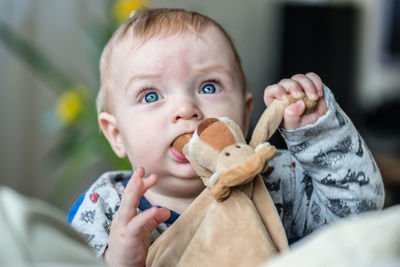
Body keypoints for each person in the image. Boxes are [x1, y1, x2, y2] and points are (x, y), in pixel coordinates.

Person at [67, 7, 384, 267]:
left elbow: (359, 219)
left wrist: (319, 132)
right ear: (116, 133)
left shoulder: (278, 178)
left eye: (209, 87)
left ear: (246, 116)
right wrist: (116, 261)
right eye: (150, 95)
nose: (186, 109)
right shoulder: (105, 209)